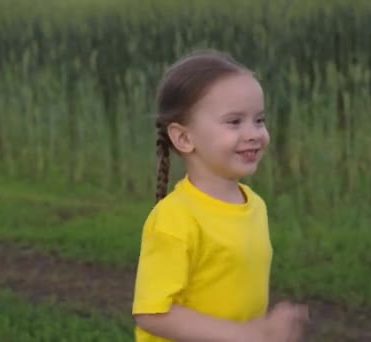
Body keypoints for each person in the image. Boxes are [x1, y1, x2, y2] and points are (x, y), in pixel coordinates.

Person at [131, 49, 309, 342]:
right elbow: (152, 313)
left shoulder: (255, 206)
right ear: (184, 138)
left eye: (259, 120)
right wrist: (247, 335)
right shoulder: (175, 219)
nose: (254, 133)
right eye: (234, 122)